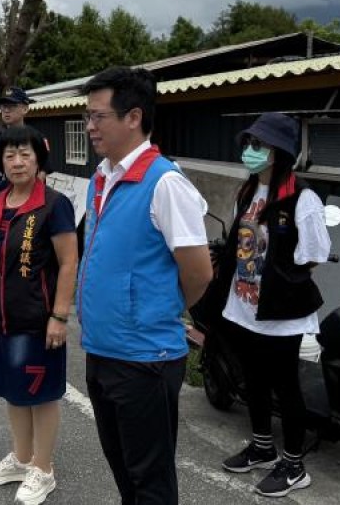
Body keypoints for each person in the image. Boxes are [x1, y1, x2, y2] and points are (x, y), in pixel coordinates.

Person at [76, 66, 213, 505]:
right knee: (124, 470)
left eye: (98, 117)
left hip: (144, 359)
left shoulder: (166, 184)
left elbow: (198, 273)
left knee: (150, 479)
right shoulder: (102, 177)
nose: (90, 126)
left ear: (133, 117)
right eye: (88, 116)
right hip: (102, 349)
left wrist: (155, 311)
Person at [206, 112, 330, 498]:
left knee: (285, 386)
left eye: (258, 145)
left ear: (278, 152)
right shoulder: (248, 191)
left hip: (280, 312)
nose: (250, 151)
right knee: (254, 380)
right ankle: (262, 446)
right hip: (244, 305)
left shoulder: (301, 197)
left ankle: (294, 465)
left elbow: (314, 254)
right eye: (248, 144)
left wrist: (276, 279)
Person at [0, 125, 77, 505]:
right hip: (1, 318)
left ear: (38, 159)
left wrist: (60, 316)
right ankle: (21, 459)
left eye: (25, 154)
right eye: (9, 155)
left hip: (38, 320)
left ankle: (44, 467)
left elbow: (69, 263)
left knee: (41, 394)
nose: (17, 162)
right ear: (0, 162)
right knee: (13, 391)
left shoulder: (54, 205)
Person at [0, 87, 52, 198]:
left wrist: (23, 201)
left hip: (28, 203)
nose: (6, 110)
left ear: (25, 109)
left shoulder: (37, 138)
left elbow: (42, 173)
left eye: (12, 105)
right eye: (3, 106)